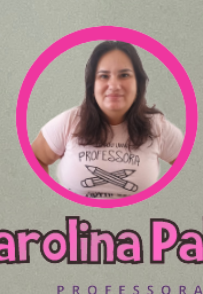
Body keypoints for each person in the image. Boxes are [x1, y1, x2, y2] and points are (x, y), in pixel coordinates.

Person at [31, 41, 183, 199]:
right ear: (92, 85)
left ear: (138, 83)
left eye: (124, 75)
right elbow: (35, 158)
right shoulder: (69, 121)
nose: (114, 85)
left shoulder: (157, 127)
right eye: (104, 76)